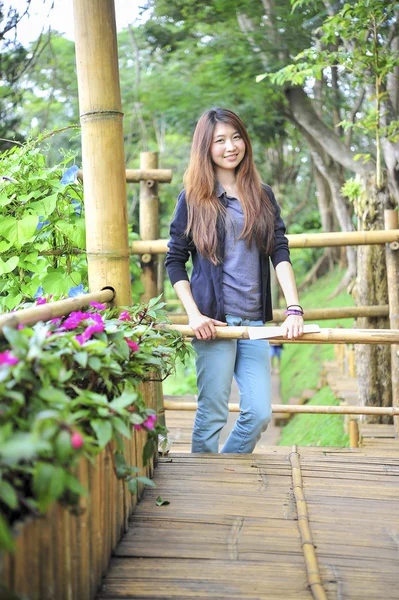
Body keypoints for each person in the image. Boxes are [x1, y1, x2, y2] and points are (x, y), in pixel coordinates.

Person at [165, 107, 304, 454]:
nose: (231, 146)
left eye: (236, 137)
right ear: (205, 148)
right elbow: (175, 261)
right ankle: (205, 485)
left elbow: (280, 252)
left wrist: (294, 308)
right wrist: (194, 315)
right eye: (220, 140)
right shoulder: (193, 199)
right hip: (213, 324)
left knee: (258, 413)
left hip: (255, 324)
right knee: (212, 414)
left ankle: (223, 469)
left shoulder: (263, 195)